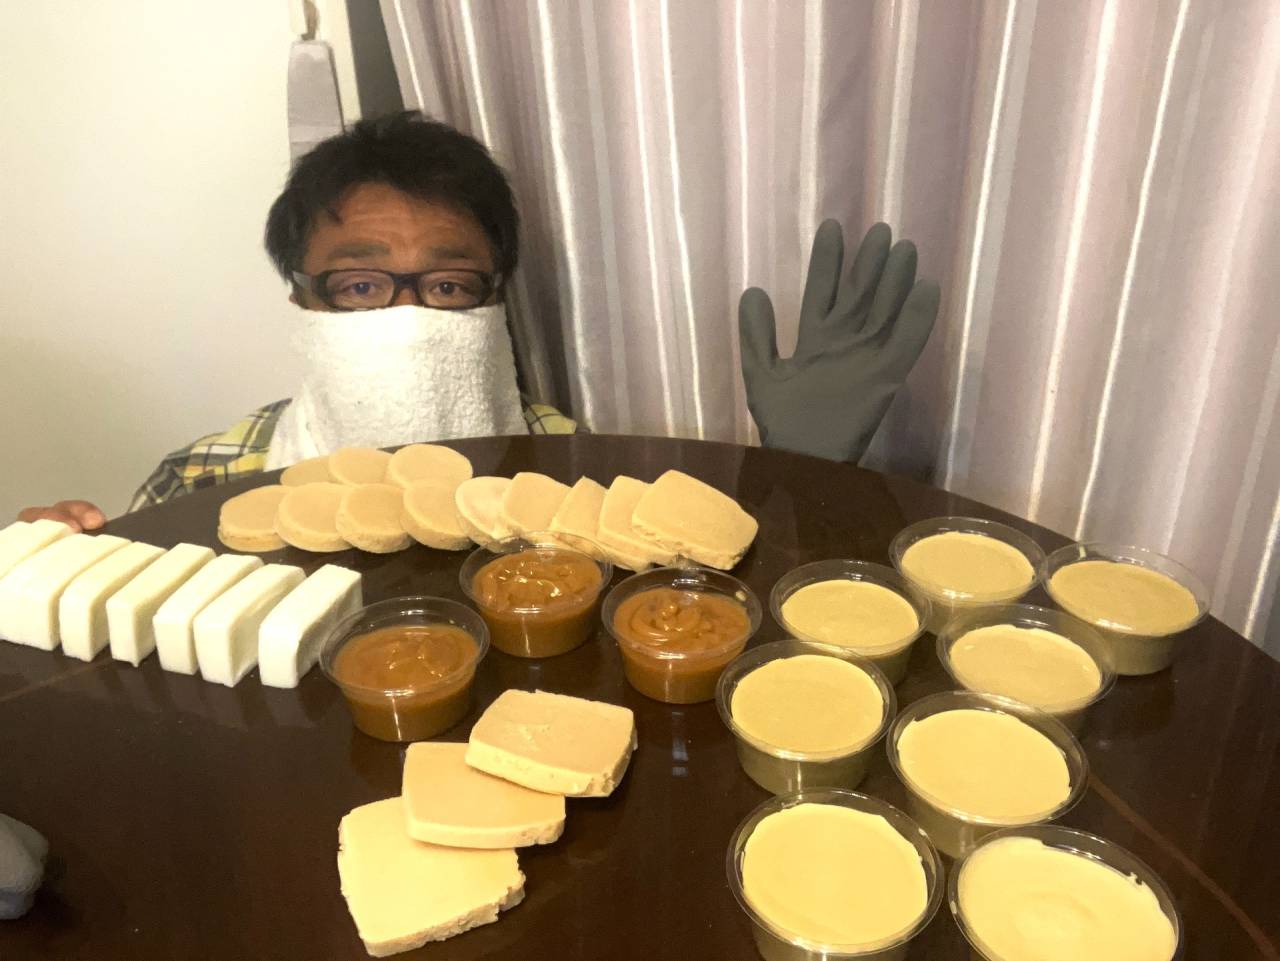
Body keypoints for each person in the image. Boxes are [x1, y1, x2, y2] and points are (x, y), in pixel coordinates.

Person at [18, 111, 937, 530]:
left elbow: (711, 623)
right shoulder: (200, 483)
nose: (410, 318)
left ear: (495, 299)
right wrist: (52, 582)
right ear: (302, 298)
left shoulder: (590, 477)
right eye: (361, 288)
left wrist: (799, 479)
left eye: (450, 287)